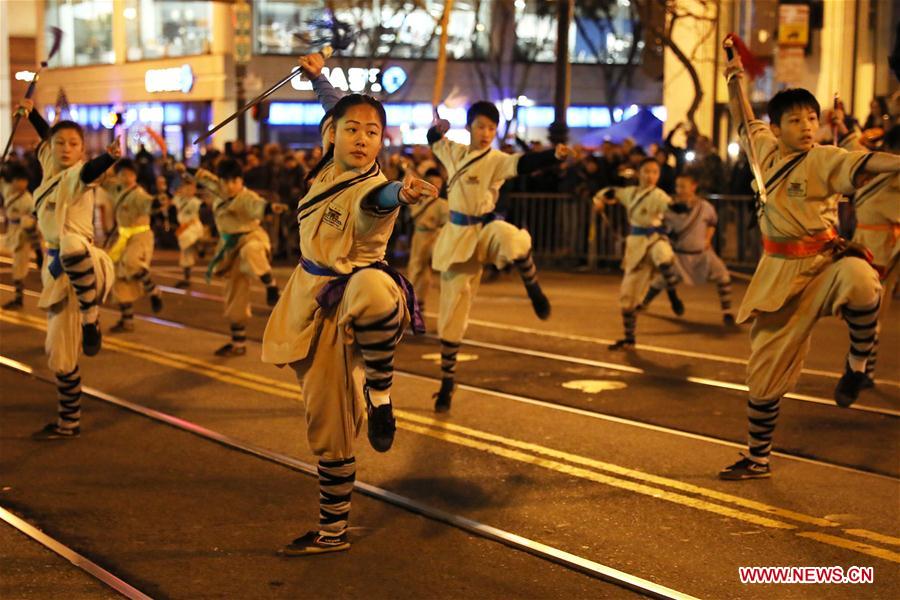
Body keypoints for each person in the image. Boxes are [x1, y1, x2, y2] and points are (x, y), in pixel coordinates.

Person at [261, 94, 437, 555]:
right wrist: (318, 74)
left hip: (358, 296)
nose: (363, 138)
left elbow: (377, 200)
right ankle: (332, 530)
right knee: (328, 422)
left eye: (373, 132)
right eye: (353, 129)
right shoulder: (325, 171)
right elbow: (334, 105)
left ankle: (380, 392)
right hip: (311, 300)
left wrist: (402, 191)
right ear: (331, 134)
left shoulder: (370, 187)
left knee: (373, 290)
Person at [718, 42, 899, 480]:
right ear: (776, 127)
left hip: (825, 261)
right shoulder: (762, 148)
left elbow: (867, 162)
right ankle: (758, 458)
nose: (807, 126)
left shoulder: (825, 158)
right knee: (763, 376)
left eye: (812, 119)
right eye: (796, 120)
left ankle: (857, 366)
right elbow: (742, 114)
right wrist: (733, 74)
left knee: (862, 280)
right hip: (779, 274)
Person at [427, 102, 569, 412]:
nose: (486, 133)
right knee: (452, 311)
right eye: (481, 126)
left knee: (512, 238)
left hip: (484, 230)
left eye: (491, 128)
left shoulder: (496, 159)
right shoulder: (454, 152)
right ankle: (447, 382)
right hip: (456, 238)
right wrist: (437, 129)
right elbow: (434, 142)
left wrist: (553, 156)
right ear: (470, 127)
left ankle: (534, 287)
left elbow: (524, 164)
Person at [17, 98, 119, 439]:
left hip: (85, 265)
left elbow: (90, 171)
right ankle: (68, 421)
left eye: (74, 144)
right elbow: (49, 135)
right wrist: (31, 111)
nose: (65, 148)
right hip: (56, 270)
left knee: (73, 245)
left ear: (82, 150)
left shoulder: (79, 173)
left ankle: (92, 319)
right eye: (60, 143)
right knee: (59, 350)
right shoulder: (49, 168)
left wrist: (108, 157)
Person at [594, 158, 685, 350]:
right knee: (627, 298)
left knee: (663, 255)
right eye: (647, 171)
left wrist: (679, 207)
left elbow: (669, 205)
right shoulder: (630, 193)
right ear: (639, 173)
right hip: (635, 247)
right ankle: (629, 338)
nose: (650, 176)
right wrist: (599, 201)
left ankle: (673, 296)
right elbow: (607, 193)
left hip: (654, 239)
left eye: (654, 172)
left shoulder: (659, 195)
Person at [196, 158, 282, 357]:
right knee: (233, 291)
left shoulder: (246, 197)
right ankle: (238, 342)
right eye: (225, 182)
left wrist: (271, 208)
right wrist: (181, 168)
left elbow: (258, 205)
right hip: (228, 247)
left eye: (234, 182)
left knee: (250, 251)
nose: (229, 186)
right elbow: (203, 178)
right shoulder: (218, 187)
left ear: (240, 181)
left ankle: (271, 285)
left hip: (251, 238)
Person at [638, 171, 735, 325]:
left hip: (702, 254)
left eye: (683, 186)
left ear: (693, 187)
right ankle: (644, 303)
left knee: (723, 275)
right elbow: (658, 225)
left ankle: (727, 312)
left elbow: (712, 223)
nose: (679, 190)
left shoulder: (705, 207)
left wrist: (707, 239)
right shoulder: (668, 207)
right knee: (662, 280)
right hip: (679, 255)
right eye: (677, 186)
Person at [850, 125, 900, 385]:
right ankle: (860, 368)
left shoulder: (885, 173)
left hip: (882, 247)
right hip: (872, 247)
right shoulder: (885, 173)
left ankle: (862, 369)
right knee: (870, 309)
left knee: (873, 309)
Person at [105, 159, 163, 333]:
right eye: (122, 173)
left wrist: (160, 198)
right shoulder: (115, 188)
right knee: (118, 276)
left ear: (135, 176)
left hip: (140, 235)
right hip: (123, 236)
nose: (126, 177)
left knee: (131, 262)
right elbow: (100, 180)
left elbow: (151, 204)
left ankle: (152, 290)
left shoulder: (139, 194)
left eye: (130, 174)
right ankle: (127, 319)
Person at [406, 168, 449, 316]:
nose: (437, 185)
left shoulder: (442, 204)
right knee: (417, 270)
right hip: (420, 236)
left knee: (422, 270)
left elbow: (448, 222)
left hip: (434, 236)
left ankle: (418, 302)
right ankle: (415, 302)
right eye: (433, 182)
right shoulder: (418, 199)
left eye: (439, 183)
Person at [0, 163, 38, 309]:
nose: (22, 184)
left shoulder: (28, 199)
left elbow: (33, 220)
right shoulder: (9, 190)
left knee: (19, 266)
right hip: (12, 232)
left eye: (24, 181)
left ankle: (18, 298)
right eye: (18, 180)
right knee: (16, 264)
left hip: (23, 235)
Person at [170, 169, 204, 288]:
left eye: (192, 188)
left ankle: (199, 246)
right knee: (185, 255)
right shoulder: (178, 199)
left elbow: (201, 211)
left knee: (186, 238)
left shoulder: (196, 202)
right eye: (186, 187)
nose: (190, 190)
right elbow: (170, 198)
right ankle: (186, 278)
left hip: (193, 227)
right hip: (183, 228)